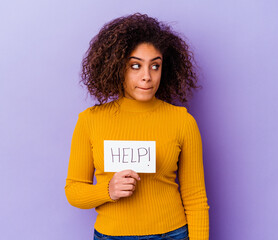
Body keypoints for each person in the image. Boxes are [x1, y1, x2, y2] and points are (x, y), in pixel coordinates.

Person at [65, 13, 210, 240]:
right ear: (116, 67)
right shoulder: (89, 120)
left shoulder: (182, 121)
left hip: (171, 235)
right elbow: (73, 190)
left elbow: (196, 197)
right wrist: (108, 191)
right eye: (135, 66)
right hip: (110, 236)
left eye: (155, 66)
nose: (147, 77)